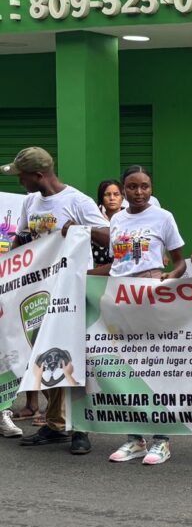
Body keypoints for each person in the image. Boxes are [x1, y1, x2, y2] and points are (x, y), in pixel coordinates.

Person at [1, 146, 109, 453]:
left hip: (70, 291)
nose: (19, 181)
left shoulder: (77, 201)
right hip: (37, 293)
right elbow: (22, 241)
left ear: (38, 175)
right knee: (46, 357)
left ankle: (81, 430)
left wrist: (81, 230)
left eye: (22, 176)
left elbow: (113, 238)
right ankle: (55, 423)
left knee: (72, 357)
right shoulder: (32, 201)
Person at [104, 166, 186, 466]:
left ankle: (162, 440)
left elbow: (180, 262)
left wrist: (168, 277)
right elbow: (118, 262)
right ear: (124, 190)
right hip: (119, 300)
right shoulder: (117, 219)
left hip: (151, 298)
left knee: (155, 369)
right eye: (132, 187)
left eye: (145, 186)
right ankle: (134, 438)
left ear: (152, 188)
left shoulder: (163, 218)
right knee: (127, 371)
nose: (139, 192)